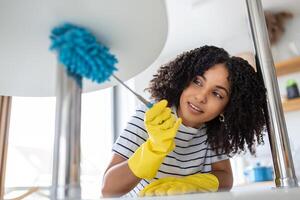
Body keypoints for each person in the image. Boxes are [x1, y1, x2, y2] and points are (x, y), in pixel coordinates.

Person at [101, 45, 267, 197]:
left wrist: (190, 185)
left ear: (227, 107)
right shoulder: (149, 117)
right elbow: (108, 189)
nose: (201, 97)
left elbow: (225, 178)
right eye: (197, 81)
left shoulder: (214, 132)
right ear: (184, 80)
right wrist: (153, 148)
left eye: (217, 94)